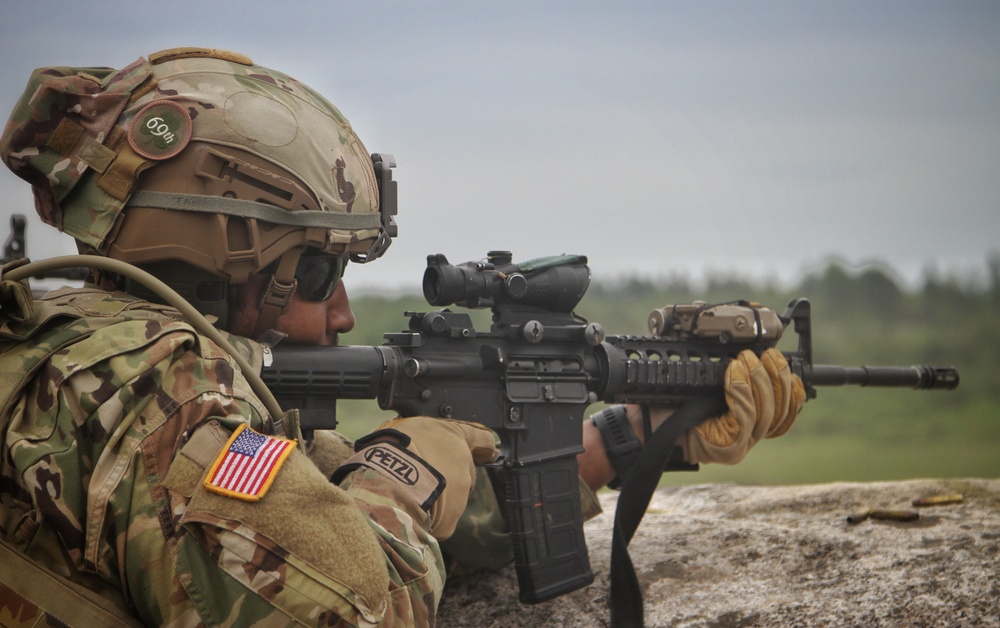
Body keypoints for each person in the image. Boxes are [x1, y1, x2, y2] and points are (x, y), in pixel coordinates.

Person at [0, 48, 803, 626]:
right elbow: (359, 605)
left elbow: (310, 512)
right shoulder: (159, 395)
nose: (343, 313)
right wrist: (404, 475)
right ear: (231, 249)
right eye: (318, 274)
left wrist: (631, 439)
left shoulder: (87, 353)